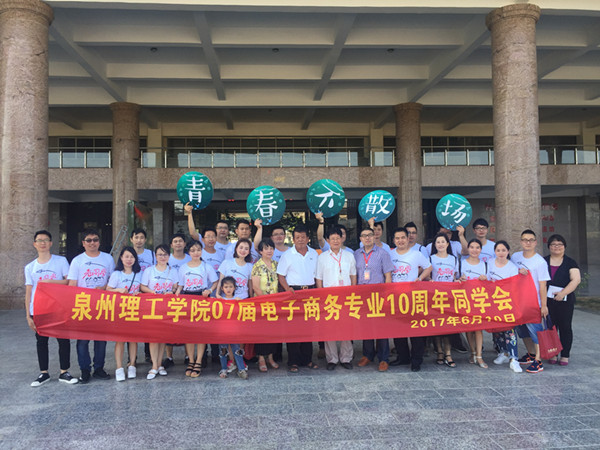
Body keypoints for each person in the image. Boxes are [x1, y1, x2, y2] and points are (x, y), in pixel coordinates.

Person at [25, 230, 78, 386]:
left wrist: (50, 282)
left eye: (45, 240)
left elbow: (68, 281)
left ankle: (64, 372)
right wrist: (28, 315)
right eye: (39, 240)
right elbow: (29, 292)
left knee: (63, 340)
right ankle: (44, 373)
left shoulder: (60, 261)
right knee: (41, 341)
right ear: (34, 244)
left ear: (51, 243)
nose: (42, 243)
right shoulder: (30, 267)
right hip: (38, 309)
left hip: (58, 308)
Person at [68, 228, 115, 383]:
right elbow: (72, 284)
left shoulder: (108, 259)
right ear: (83, 243)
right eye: (89, 240)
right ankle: (85, 369)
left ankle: (99, 368)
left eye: (95, 240)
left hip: (102, 304)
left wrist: (103, 288)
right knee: (82, 340)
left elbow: (113, 280)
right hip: (83, 305)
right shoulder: (77, 261)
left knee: (101, 339)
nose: (92, 243)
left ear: (99, 242)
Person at [387, 227, 432, 371]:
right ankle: (403, 357)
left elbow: (429, 267)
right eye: (397, 238)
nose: (400, 240)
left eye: (403, 238)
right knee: (398, 330)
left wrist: (420, 278)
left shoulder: (416, 254)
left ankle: (416, 360)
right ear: (394, 240)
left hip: (412, 297)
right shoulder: (390, 254)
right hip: (395, 297)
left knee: (415, 330)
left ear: (408, 239)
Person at [277, 224, 319, 372]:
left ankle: (307, 359)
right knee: (293, 328)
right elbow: (281, 275)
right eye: (297, 237)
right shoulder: (287, 255)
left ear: (308, 238)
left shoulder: (314, 253)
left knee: (308, 327)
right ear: (293, 239)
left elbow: (318, 274)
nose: (300, 240)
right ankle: (293, 361)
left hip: (310, 292)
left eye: (303, 237)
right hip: (294, 293)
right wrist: (287, 288)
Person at [175, 240, 218, 378]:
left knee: (201, 332)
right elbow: (181, 285)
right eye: (193, 250)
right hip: (187, 299)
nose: (196, 253)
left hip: (202, 298)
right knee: (189, 333)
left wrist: (209, 290)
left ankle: (198, 361)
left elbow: (215, 281)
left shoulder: (206, 267)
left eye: (198, 250)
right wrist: (177, 293)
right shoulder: (183, 267)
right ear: (188, 252)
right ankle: (191, 361)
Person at [316, 227, 357, 371]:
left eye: (337, 238)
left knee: (347, 328)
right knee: (330, 329)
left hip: (346, 297)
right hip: (329, 298)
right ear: (328, 240)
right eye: (332, 239)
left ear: (342, 239)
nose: (335, 241)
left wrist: (352, 293)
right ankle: (332, 359)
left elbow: (353, 275)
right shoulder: (322, 257)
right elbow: (319, 278)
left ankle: (346, 358)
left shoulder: (349, 256)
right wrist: (321, 296)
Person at [354, 227, 394, 372]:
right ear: (360, 239)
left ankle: (383, 358)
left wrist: (387, 295)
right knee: (366, 326)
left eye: (370, 235)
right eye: (364, 236)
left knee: (381, 327)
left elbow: (388, 275)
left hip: (379, 295)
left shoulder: (383, 253)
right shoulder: (356, 254)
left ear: (374, 237)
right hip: (363, 295)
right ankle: (368, 355)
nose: (367, 238)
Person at [512, 229, 551, 374]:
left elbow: (543, 285)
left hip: (533, 303)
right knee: (522, 331)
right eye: (525, 240)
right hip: (518, 302)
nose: (527, 242)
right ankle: (531, 354)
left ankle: (538, 360)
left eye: (530, 240)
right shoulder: (515, 257)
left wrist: (544, 305)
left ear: (535, 242)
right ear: (521, 241)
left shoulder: (540, 262)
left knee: (535, 331)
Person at [140, 244, 178, 380]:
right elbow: (142, 286)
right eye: (160, 254)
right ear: (155, 256)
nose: (163, 257)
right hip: (152, 308)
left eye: (165, 254)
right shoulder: (149, 271)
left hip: (167, 308)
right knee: (153, 337)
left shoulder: (173, 271)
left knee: (162, 338)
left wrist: (172, 291)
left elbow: (176, 287)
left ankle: (160, 364)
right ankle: (154, 366)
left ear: (169, 256)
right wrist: (152, 292)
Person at [544, 234, 581, 366]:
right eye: (553, 244)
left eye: (560, 244)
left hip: (565, 300)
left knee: (565, 327)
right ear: (549, 247)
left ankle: (565, 355)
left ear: (564, 246)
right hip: (547, 301)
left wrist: (562, 293)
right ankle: (553, 352)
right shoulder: (544, 261)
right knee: (550, 327)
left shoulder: (570, 262)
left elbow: (576, 280)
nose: (557, 247)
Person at [486, 241, 522, 373]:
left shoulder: (512, 267)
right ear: (494, 252)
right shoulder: (489, 263)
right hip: (493, 302)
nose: (501, 253)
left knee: (509, 330)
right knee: (497, 330)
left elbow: (515, 286)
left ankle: (514, 358)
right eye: (498, 250)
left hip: (507, 302)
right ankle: (503, 352)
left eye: (503, 250)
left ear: (508, 251)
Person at [107, 246, 142, 381]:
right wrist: (118, 290)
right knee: (120, 340)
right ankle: (119, 367)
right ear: (121, 258)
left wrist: (139, 293)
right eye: (126, 256)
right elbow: (108, 290)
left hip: (135, 310)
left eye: (132, 257)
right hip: (119, 311)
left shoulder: (139, 274)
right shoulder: (116, 274)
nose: (129, 259)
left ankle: (132, 365)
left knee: (133, 339)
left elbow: (143, 288)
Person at [428, 232, 459, 368]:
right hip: (435, 296)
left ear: (447, 244)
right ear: (434, 245)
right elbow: (427, 276)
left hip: (449, 297)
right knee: (437, 325)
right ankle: (439, 352)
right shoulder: (431, 258)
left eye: (443, 242)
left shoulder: (454, 259)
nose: (440, 244)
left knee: (448, 326)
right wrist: (430, 280)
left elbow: (455, 277)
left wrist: (457, 281)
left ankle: (448, 353)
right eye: (438, 242)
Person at [163, 233, 191, 369]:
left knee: (186, 325)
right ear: (171, 245)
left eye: (180, 241)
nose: (178, 243)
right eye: (175, 241)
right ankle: (169, 357)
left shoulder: (190, 258)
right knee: (169, 326)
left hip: (187, 295)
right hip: (170, 295)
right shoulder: (167, 258)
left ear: (185, 244)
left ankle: (187, 356)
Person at [458, 238, 488, 369]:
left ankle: (479, 356)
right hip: (465, 300)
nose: (474, 250)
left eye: (477, 247)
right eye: (472, 247)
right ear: (468, 249)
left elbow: (491, 283)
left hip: (479, 300)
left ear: (481, 250)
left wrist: (485, 280)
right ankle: (473, 352)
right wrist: (459, 279)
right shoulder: (461, 263)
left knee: (478, 328)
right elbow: (455, 280)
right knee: (469, 328)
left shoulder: (485, 264)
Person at [251, 238, 280, 372]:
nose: (269, 251)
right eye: (266, 248)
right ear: (260, 251)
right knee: (261, 332)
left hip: (275, 304)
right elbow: (256, 287)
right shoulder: (257, 266)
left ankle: (271, 357)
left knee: (273, 332)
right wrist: (265, 301)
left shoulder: (276, 264)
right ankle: (261, 358)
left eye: (271, 248)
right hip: (261, 304)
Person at [217, 277, 249, 379]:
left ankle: (241, 369)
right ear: (222, 288)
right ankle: (223, 368)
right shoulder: (219, 301)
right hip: (222, 329)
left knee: (237, 349)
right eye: (226, 287)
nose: (228, 289)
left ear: (235, 288)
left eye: (231, 287)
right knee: (223, 350)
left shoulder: (238, 300)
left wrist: (240, 303)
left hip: (235, 329)